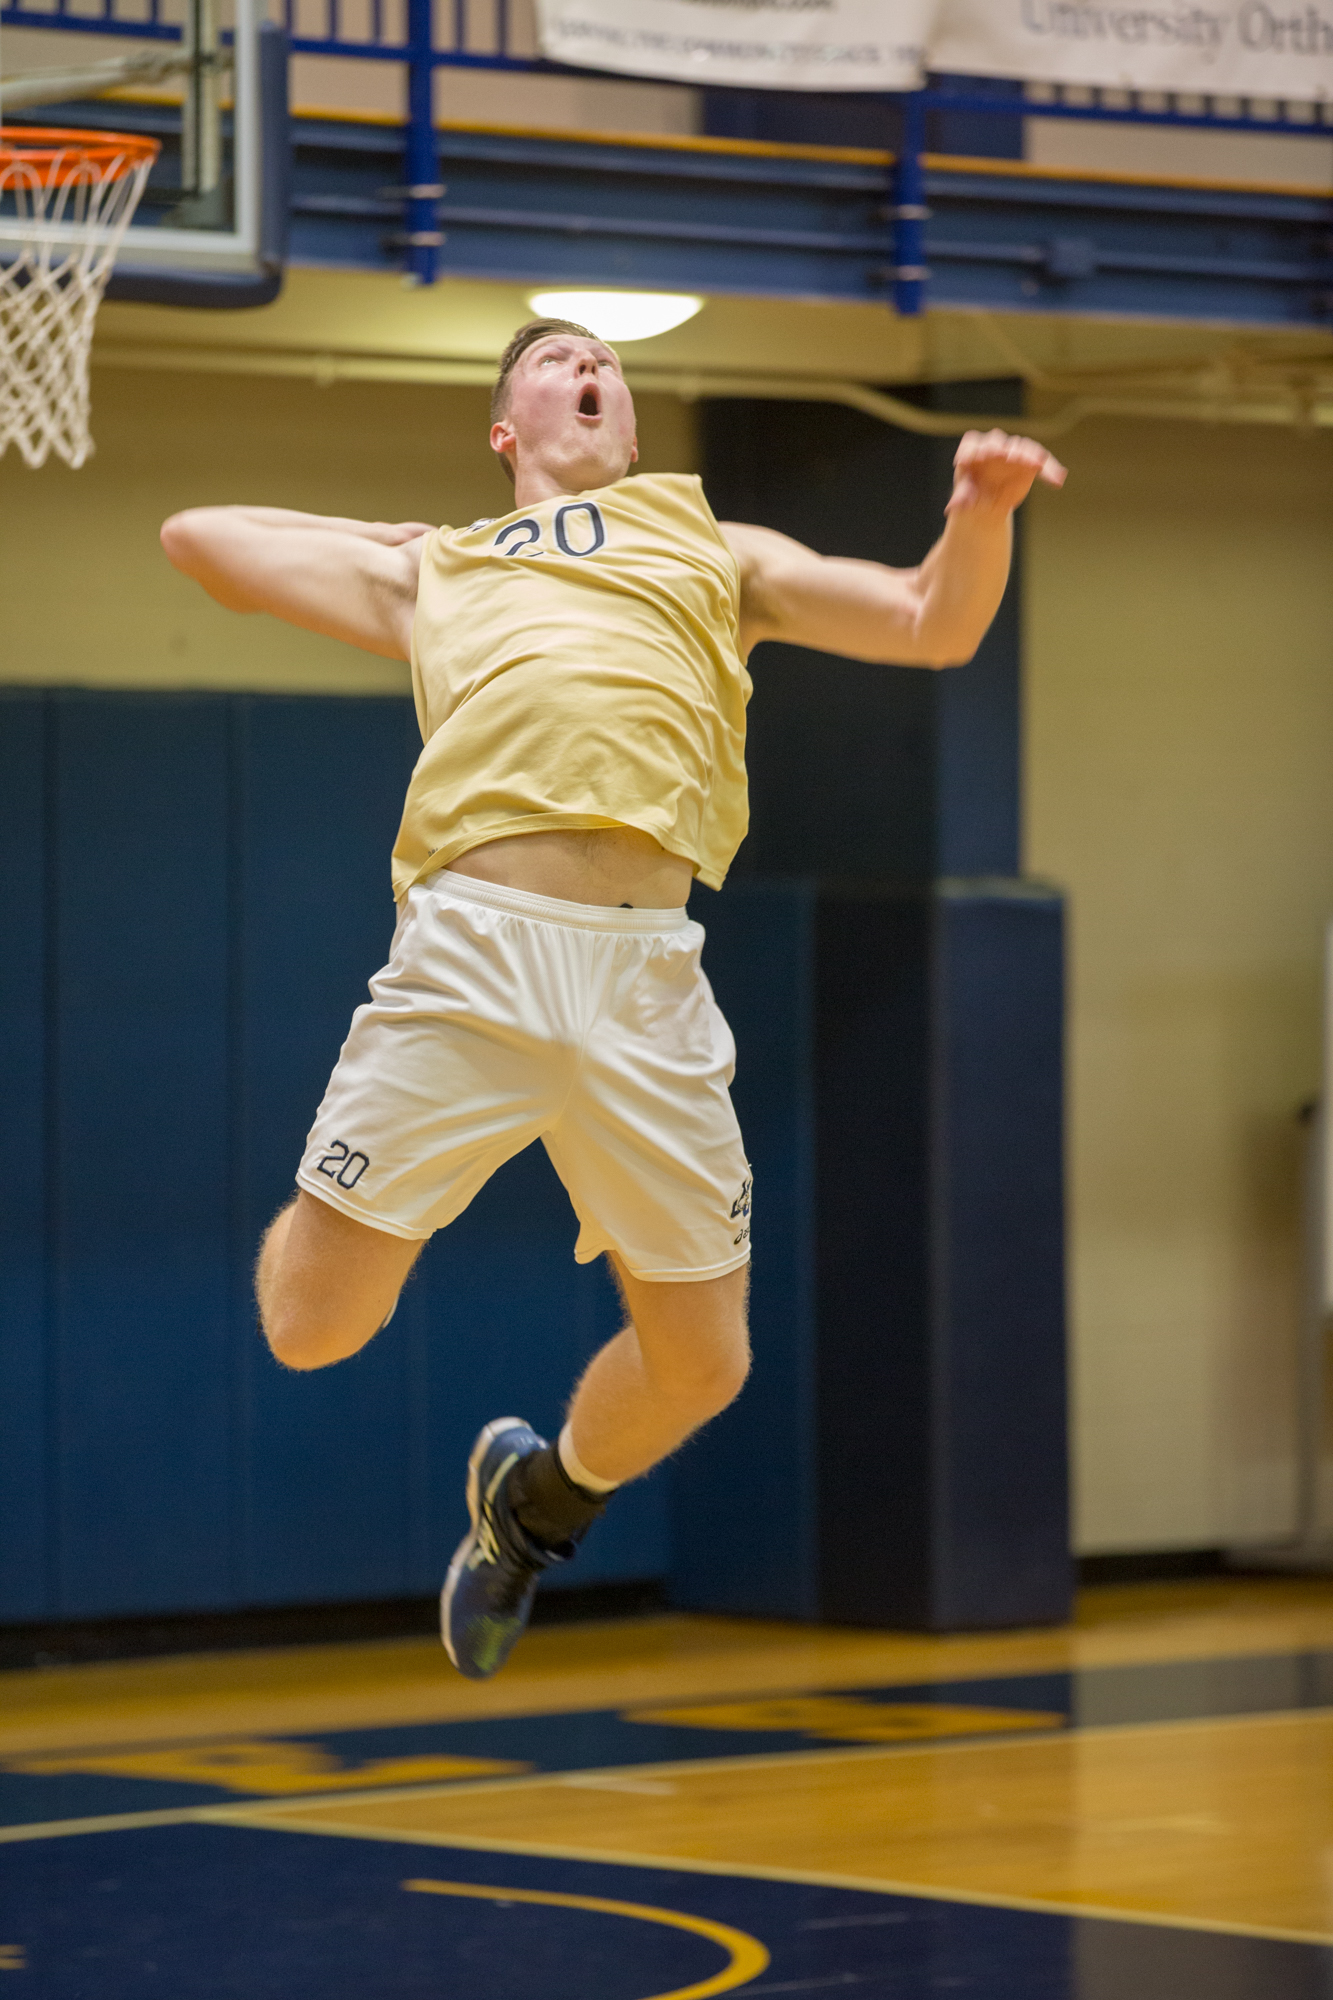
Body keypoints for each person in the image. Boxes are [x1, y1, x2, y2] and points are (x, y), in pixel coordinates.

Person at [160, 318, 1065, 1680]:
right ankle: (337, 1178)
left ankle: (536, 1506)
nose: (591, 370)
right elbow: (197, 538)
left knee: (705, 1364)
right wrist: (394, 540)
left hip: (646, 976)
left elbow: (933, 622)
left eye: (608, 366)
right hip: (475, 956)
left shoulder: (718, 550)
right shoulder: (443, 569)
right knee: (312, 1332)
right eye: (555, 360)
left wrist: (977, 512)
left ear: (626, 423)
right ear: (504, 428)